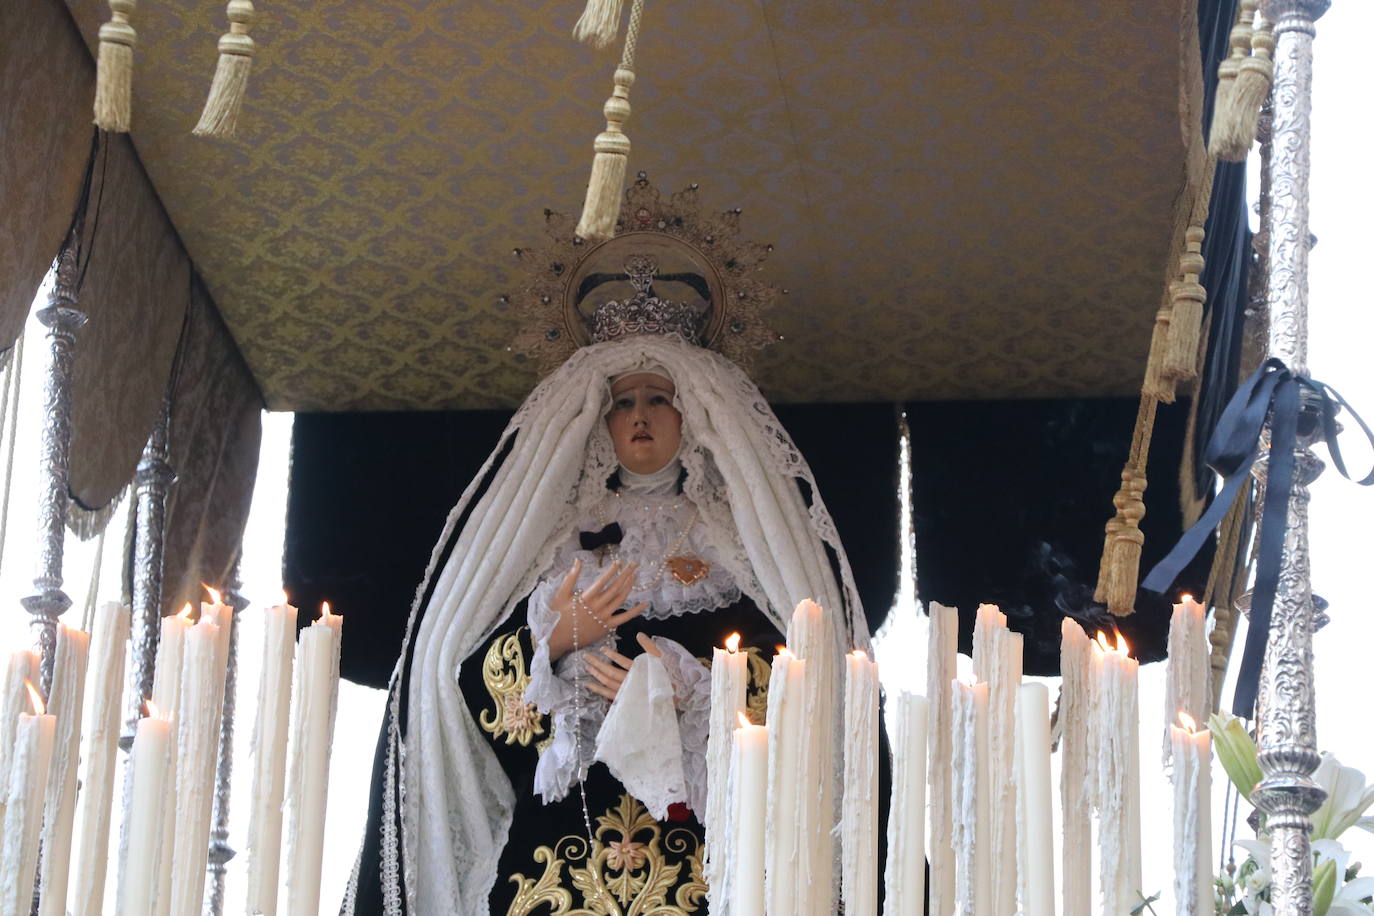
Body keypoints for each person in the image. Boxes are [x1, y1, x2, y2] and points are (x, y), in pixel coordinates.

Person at [343, 211, 869, 915]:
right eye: (624, 402)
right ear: (599, 419)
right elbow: (460, 687)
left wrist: (690, 695)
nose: (641, 417)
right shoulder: (551, 545)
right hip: (557, 870)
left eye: (659, 399)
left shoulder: (736, 546)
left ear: (696, 416)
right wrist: (552, 647)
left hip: (709, 869)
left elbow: (812, 686)